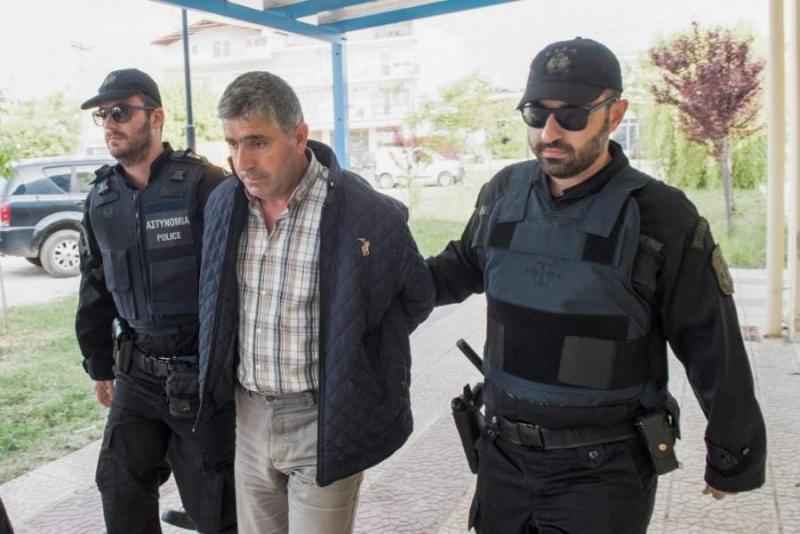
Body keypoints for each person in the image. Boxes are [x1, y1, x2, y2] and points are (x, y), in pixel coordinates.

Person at [427, 37, 767, 534]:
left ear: (615, 114)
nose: (550, 132)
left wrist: (734, 455)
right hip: (502, 458)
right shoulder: (502, 193)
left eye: (572, 115)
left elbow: (710, 340)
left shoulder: (661, 214)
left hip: (601, 471)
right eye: (536, 114)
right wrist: (372, 280)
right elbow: (459, 267)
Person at [197, 71, 434, 534]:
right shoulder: (225, 202)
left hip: (323, 418)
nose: (242, 162)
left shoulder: (365, 212)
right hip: (250, 415)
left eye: (258, 142)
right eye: (232, 144)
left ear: (299, 135)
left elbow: (415, 297)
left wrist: (355, 352)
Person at [75, 68, 236, 534]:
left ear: (156, 117)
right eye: (104, 115)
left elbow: (239, 280)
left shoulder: (206, 184)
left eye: (121, 112)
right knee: (119, 487)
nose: (110, 123)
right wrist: (99, 364)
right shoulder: (101, 198)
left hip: (200, 377)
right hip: (137, 374)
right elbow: (94, 285)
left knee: (216, 507)